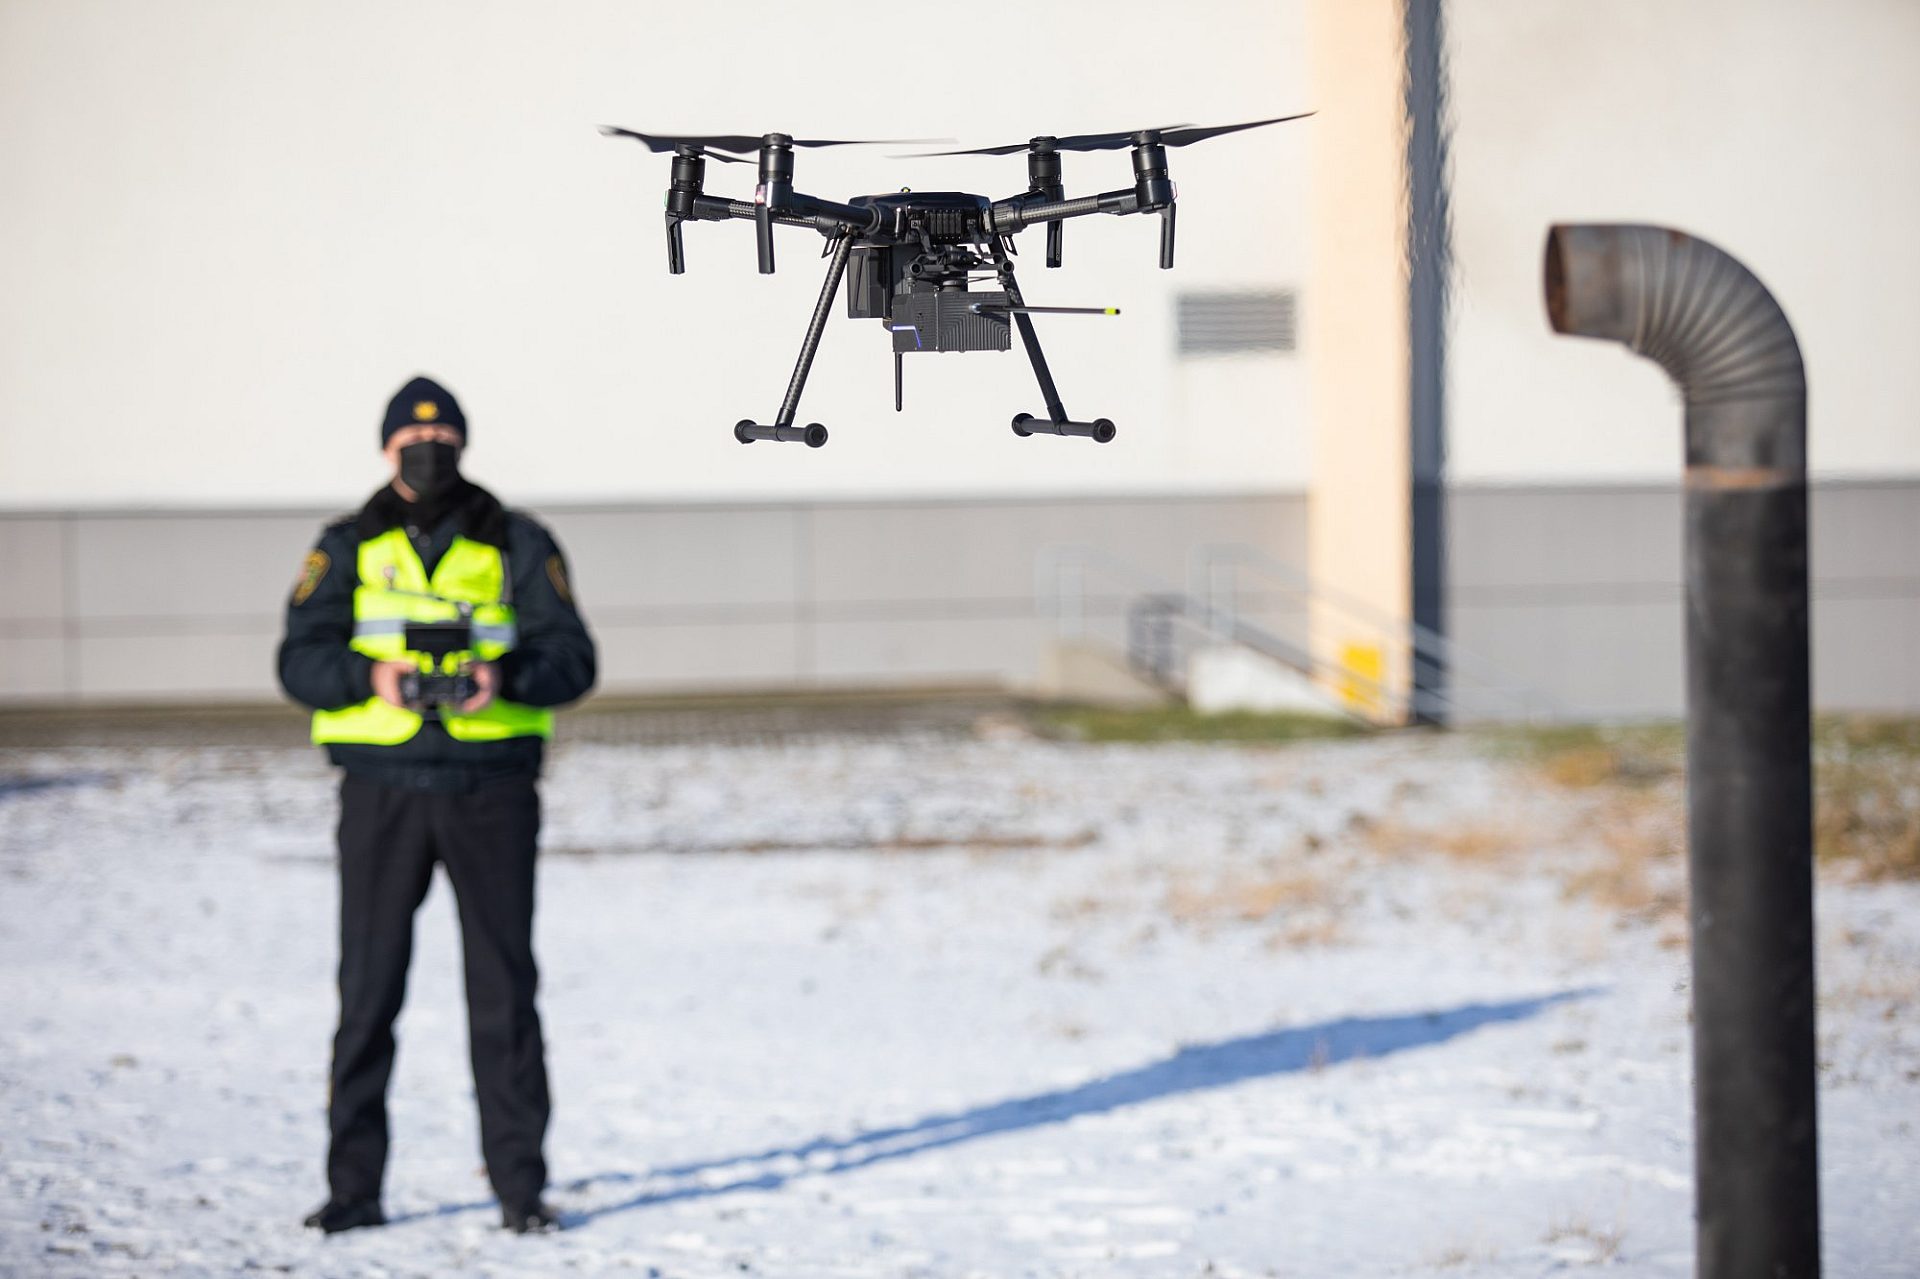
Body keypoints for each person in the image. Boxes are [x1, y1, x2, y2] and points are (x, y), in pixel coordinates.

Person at [278, 375, 596, 1235]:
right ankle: (354, 1190)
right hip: (381, 795)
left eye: (445, 438)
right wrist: (371, 676)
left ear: (464, 444)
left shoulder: (518, 541)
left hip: (491, 793)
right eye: (413, 439)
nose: (429, 451)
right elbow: (297, 661)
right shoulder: (345, 544)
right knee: (368, 994)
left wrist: (502, 678)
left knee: (504, 995)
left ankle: (521, 1190)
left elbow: (573, 658)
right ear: (386, 449)